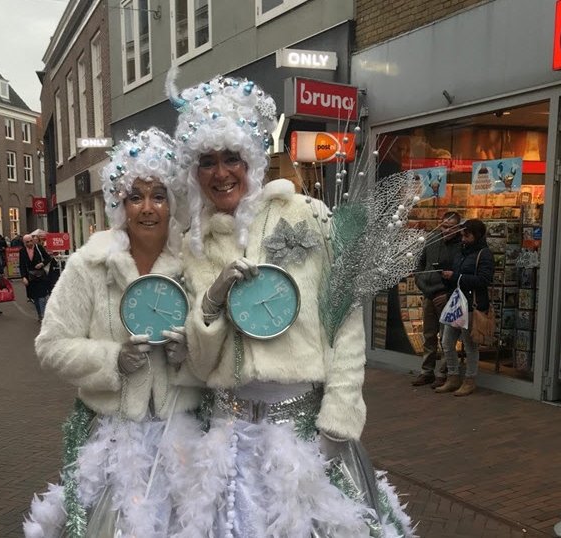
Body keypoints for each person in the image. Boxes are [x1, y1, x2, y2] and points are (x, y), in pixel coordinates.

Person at [167, 73, 413, 536]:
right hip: (229, 439)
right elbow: (201, 365)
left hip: (306, 435)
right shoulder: (192, 247)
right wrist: (212, 302)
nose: (221, 173)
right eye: (207, 161)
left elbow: (343, 324)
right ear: (193, 172)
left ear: (253, 161)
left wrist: (338, 422)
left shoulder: (307, 216)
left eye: (232, 158)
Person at [24, 128, 201, 537]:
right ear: (120, 206)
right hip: (113, 439)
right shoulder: (89, 266)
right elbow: (50, 345)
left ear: (172, 204)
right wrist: (111, 359)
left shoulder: (194, 266)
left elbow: (216, 347)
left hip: (184, 438)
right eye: (135, 196)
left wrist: (189, 355)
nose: (147, 208)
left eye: (158, 195)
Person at [436, 219, 494, 397]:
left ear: (476, 235)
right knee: (446, 342)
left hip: (471, 304)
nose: (463, 238)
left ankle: (470, 380)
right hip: (457, 303)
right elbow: (456, 276)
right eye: (462, 234)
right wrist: (448, 277)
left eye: (466, 235)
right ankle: (453, 377)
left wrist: (457, 277)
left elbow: (484, 280)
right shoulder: (461, 252)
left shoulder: (484, 254)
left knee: (469, 345)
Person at [411, 211, 462, 388]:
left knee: (446, 337)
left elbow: (460, 274)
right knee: (429, 334)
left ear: (458, 228)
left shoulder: (460, 247)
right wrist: (422, 284)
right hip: (429, 294)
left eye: (451, 227)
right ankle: (427, 372)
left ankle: (444, 372)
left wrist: (447, 294)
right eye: (444, 226)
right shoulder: (431, 240)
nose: (447, 230)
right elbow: (419, 264)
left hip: (446, 296)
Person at [19, 234, 52, 321]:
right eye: (27, 242)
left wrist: (42, 263)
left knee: (42, 296)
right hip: (30, 277)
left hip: (41, 276)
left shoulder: (39, 248)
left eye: (31, 241)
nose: (30, 243)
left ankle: (44, 316)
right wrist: (23, 277)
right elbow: (21, 265)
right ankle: (39, 314)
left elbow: (48, 258)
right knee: (35, 297)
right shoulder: (22, 251)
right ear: (24, 243)